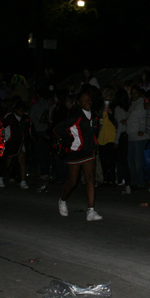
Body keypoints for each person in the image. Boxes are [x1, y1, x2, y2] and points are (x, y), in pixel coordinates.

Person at [54, 92, 103, 221]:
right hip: (75, 152)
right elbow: (58, 129)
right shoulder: (75, 116)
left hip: (88, 152)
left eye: (89, 99)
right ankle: (62, 200)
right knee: (73, 181)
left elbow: (95, 131)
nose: (87, 101)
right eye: (84, 99)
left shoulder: (95, 115)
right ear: (79, 102)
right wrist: (69, 139)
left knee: (90, 179)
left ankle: (91, 211)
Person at [0, 100, 30, 189]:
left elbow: (29, 130)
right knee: (7, 162)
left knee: (22, 161)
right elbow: (1, 126)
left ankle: (23, 181)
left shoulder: (25, 118)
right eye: (19, 110)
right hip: (11, 142)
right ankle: (0, 177)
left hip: (21, 142)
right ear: (15, 110)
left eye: (23, 111)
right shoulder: (10, 117)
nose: (21, 112)